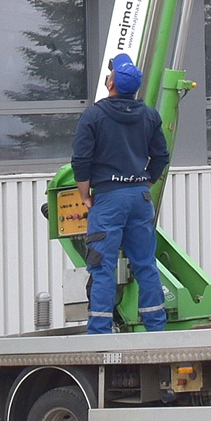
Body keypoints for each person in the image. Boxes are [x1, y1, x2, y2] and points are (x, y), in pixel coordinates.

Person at [70, 53, 170, 333]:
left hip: (108, 198)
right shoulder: (150, 115)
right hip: (140, 198)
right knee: (145, 264)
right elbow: (161, 155)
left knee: (103, 267)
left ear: (110, 82)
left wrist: (85, 194)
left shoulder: (94, 115)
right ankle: (155, 328)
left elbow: (81, 159)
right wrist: (145, 183)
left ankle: (99, 332)